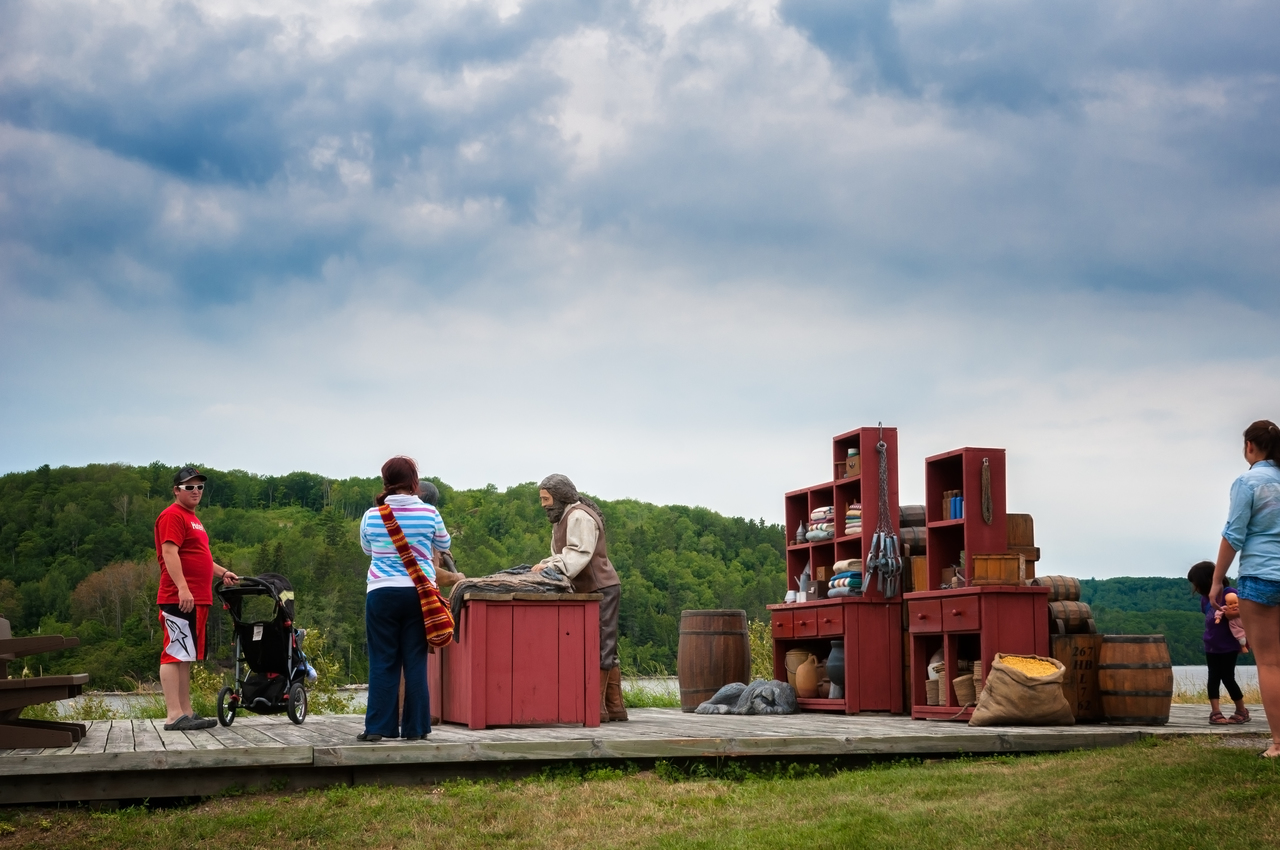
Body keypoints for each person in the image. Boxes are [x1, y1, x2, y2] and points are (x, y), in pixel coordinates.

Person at [358, 457, 451, 742]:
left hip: (381, 592)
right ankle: (416, 728)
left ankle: (377, 728)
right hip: (418, 594)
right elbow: (444, 545)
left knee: (383, 660)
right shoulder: (429, 513)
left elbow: (367, 549)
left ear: (386, 481)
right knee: (415, 660)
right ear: (414, 481)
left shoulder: (372, 516)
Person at [1210, 420, 1280, 757]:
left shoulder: (1248, 481)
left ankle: (1279, 742)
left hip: (1262, 576)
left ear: (1250, 446)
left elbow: (1233, 535)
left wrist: (1216, 580)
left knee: (1270, 663)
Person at [531, 474, 626, 722]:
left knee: (602, 645)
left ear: (560, 496)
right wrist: (545, 565)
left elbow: (578, 553)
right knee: (602, 645)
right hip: (587, 591)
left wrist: (553, 567)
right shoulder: (561, 520)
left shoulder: (579, 517)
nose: (543, 504)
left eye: (546, 498)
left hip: (601, 587)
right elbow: (560, 555)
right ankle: (614, 708)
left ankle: (598, 708)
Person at [155, 465, 240, 731]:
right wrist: (182, 587)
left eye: (199, 486)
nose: (195, 491)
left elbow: (201, 557)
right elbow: (170, 553)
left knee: (185, 656)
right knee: (173, 652)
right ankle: (173, 715)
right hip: (179, 597)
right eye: (189, 486)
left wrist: (222, 572)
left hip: (197, 599)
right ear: (176, 490)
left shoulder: (193, 519)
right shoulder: (172, 515)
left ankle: (185, 712)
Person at [1187, 561, 1249, 725]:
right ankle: (1215, 711)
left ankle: (1241, 710)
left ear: (1207, 581)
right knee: (1213, 677)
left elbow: (1244, 613)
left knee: (1228, 677)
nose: (1196, 589)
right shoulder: (1205, 600)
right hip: (1211, 645)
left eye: (1197, 584)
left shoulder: (1231, 594)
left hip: (1228, 645)